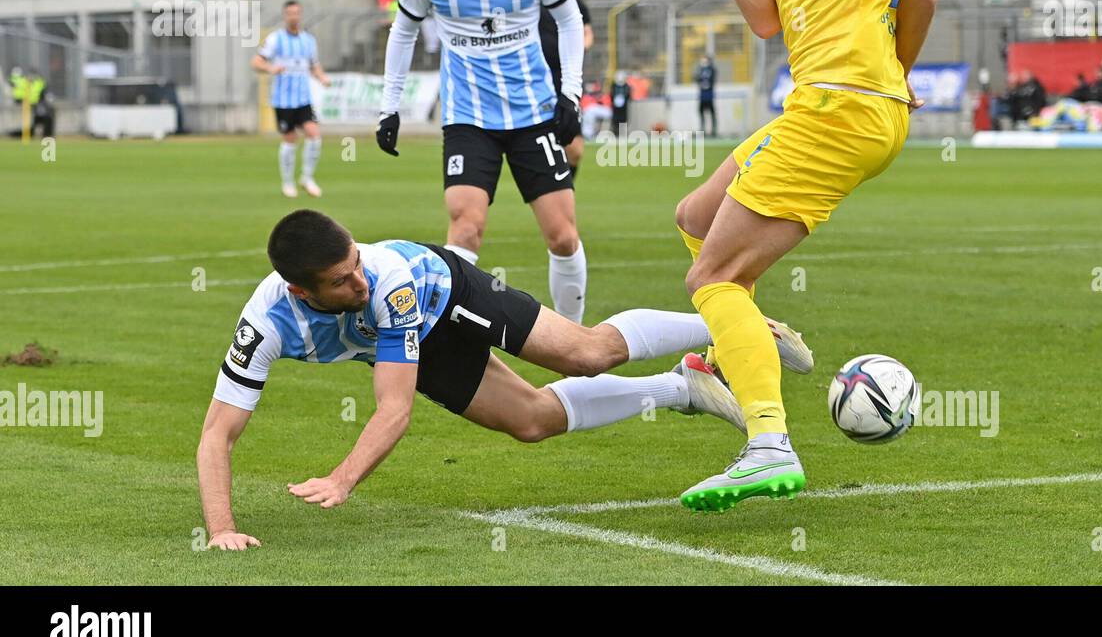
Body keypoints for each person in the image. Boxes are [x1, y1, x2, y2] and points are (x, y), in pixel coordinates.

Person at [196, 209, 815, 550]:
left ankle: (737, 326)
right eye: (341, 282)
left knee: (583, 352)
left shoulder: (388, 280)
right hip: (412, 339)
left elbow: (394, 410)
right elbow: (218, 433)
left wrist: (342, 478)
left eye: (356, 263)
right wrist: (221, 530)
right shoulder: (267, 324)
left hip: (446, 290)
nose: (358, 283)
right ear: (301, 292)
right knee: (532, 421)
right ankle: (684, 386)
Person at [674, 0, 938, 512]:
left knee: (711, 277)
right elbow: (765, 19)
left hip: (847, 104)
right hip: (816, 101)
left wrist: (896, 73)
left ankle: (766, 444)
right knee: (694, 218)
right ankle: (747, 341)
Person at [376, 0, 590, 324]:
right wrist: (389, 107)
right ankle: (450, 338)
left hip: (534, 115)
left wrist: (570, 94)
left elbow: (571, 19)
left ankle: (576, 340)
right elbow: (403, 32)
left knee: (562, 237)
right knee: (466, 227)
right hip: (468, 119)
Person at [251, 0, 331, 198]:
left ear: (300, 15)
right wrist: (271, 68)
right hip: (283, 99)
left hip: (303, 98)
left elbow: (314, 65)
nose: (293, 16)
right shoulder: (275, 39)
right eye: (289, 13)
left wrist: (322, 78)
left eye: (296, 13)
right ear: (285, 16)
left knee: (314, 135)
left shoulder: (308, 41)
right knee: (290, 139)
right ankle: (287, 183)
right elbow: (256, 61)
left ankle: (307, 177)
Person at [537, 0, 595, 176]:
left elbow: (587, 34)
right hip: (535, 78)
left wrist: (577, 50)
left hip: (564, 78)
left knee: (575, 149)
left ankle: (564, 191)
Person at [695, 55, 717, 136]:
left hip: (709, 95)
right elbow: (696, 78)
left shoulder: (712, 69)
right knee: (701, 112)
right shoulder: (700, 70)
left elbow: (712, 80)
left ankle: (713, 131)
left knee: (712, 113)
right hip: (702, 96)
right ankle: (702, 130)